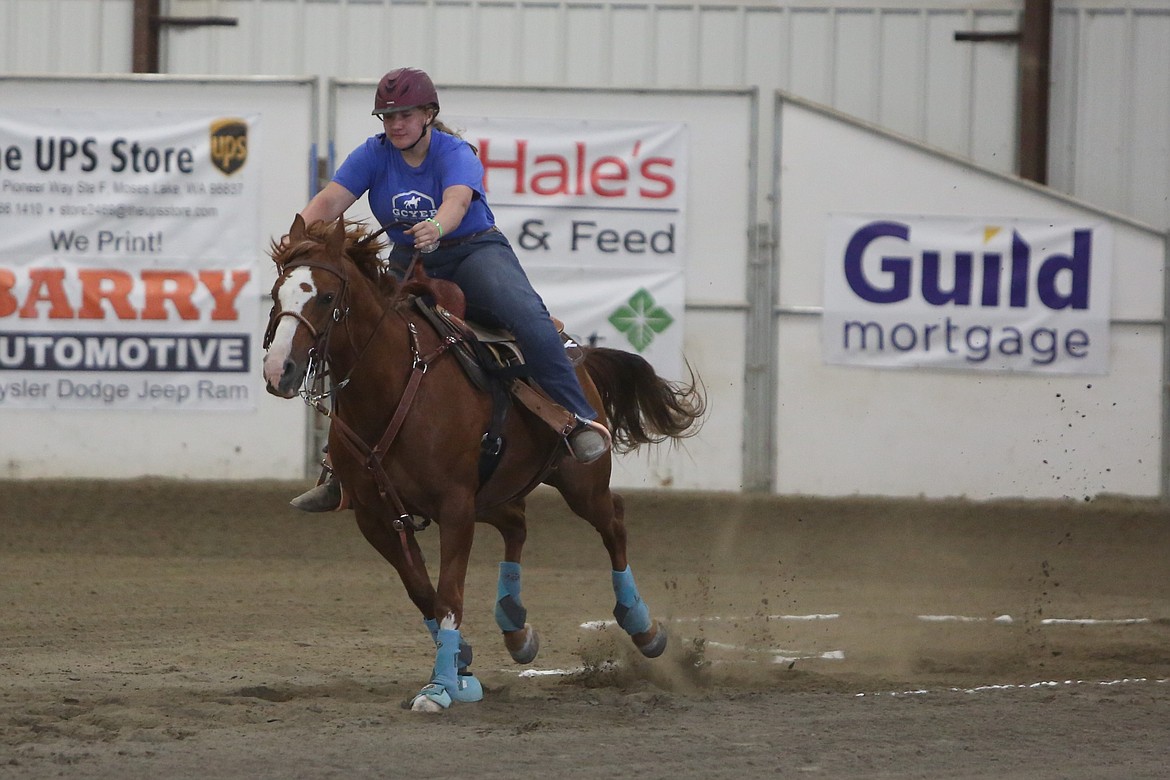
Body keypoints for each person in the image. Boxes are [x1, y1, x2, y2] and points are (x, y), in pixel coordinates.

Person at [289, 67, 611, 512]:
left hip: (473, 252)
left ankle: (579, 423)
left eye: (404, 114)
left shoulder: (454, 152)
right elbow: (330, 201)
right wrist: (301, 236)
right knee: (362, 341)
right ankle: (338, 467)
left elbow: (457, 201)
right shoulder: (372, 154)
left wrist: (437, 226)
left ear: (428, 114)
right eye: (387, 117)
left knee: (528, 319)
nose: (395, 124)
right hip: (410, 258)